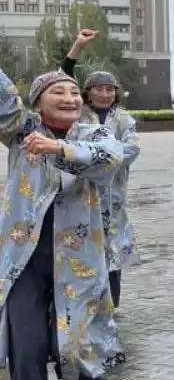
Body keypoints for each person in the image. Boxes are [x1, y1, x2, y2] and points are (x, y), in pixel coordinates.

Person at [0, 66, 126, 380]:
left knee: (72, 346)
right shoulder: (21, 130)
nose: (69, 98)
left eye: (73, 93)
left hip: (78, 260)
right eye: (58, 92)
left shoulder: (93, 132)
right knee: (26, 350)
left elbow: (110, 156)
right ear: (37, 102)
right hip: (23, 260)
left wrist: (58, 147)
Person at [62, 30, 140, 309]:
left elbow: (131, 149)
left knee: (112, 251)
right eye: (98, 89)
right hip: (81, 194)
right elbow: (61, 80)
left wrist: (96, 159)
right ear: (87, 92)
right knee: (82, 247)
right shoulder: (77, 115)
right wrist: (77, 47)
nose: (104, 94)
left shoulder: (124, 120)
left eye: (110, 89)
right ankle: (82, 305)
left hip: (114, 198)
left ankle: (110, 307)